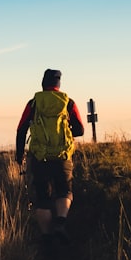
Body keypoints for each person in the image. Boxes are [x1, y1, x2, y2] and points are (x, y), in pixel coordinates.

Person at [15, 68, 85, 244]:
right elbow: (80, 130)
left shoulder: (34, 103)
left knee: (42, 198)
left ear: (43, 83)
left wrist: (19, 155)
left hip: (39, 157)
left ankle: (46, 238)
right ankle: (61, 222)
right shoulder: (68, 103)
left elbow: (21, 129)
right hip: (62, 156)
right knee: (64, 192)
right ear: (58, 84)